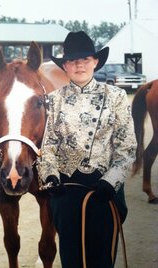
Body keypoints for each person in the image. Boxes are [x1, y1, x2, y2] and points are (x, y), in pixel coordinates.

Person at [37, 31, 137, 268]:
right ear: (65, 66)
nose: (79, 64)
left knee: (101, 260)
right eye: (72, 60)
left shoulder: (117, 97)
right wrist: (50, 175)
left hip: (103, 192)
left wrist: (111, 181)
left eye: (85, 59)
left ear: (95, 62)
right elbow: (47, 145)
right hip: (66, 191)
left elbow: (127, 147)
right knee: (71, 260)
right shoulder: (53, 100)